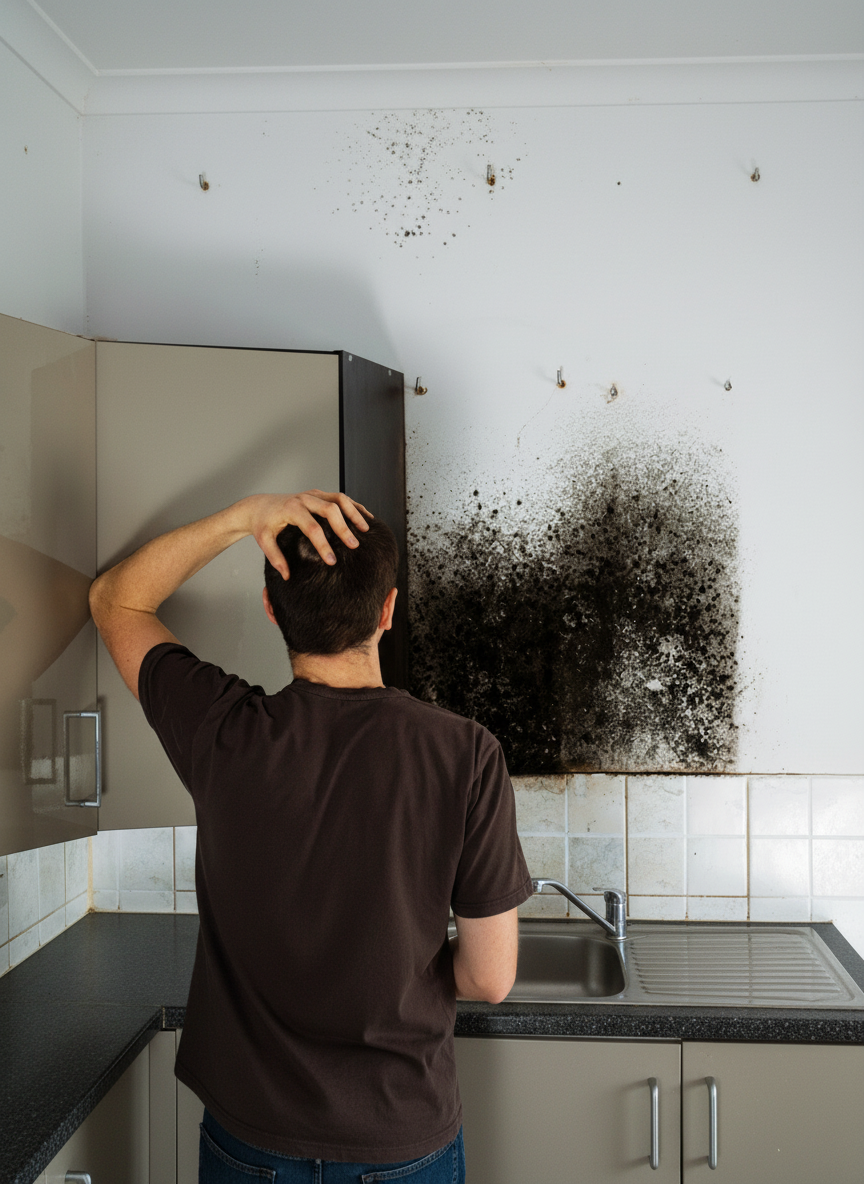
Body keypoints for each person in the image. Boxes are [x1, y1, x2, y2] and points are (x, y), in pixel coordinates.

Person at [90, 489, 533, 1184]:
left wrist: (245, 519)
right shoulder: (466, 754)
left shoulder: (222, 732)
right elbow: (490, 977)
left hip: (251, 1141)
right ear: (389, 610)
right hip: (401, 1137)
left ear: (273, 612)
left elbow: (116, 601)